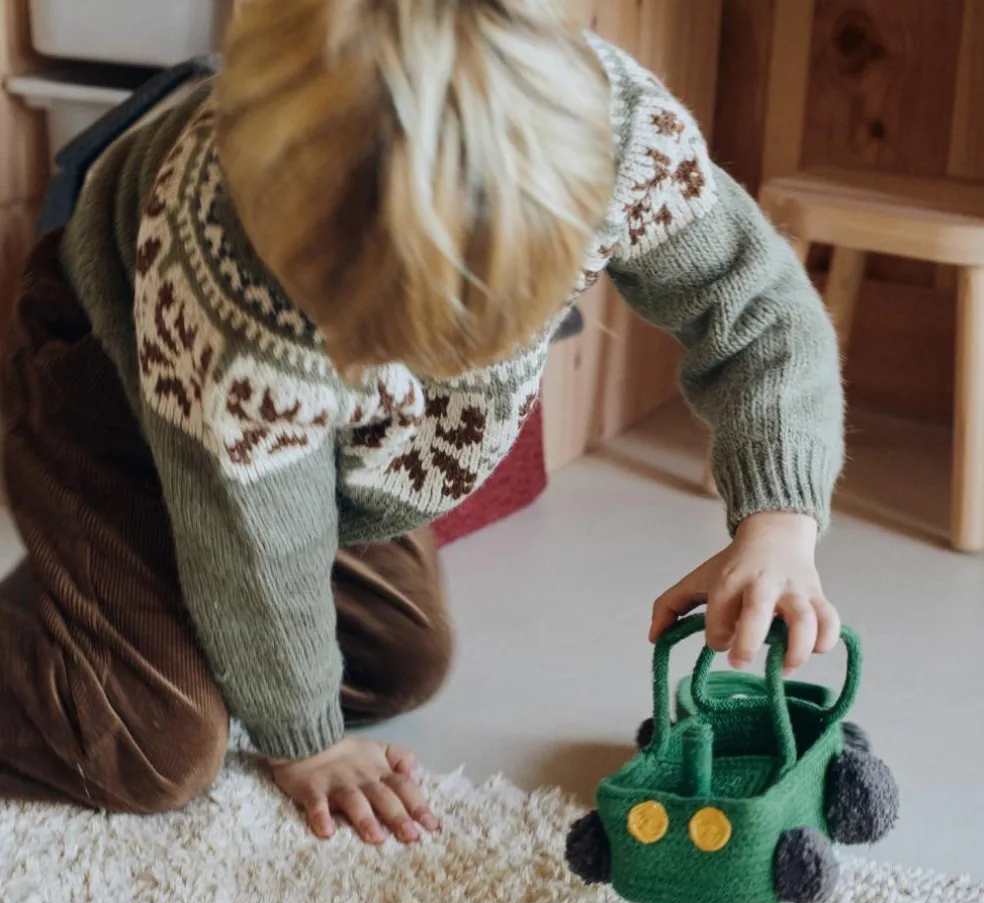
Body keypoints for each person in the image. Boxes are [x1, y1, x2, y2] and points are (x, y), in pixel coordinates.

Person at [0, 0, 843, 845]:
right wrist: (305, 742)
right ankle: (99, 593)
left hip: (305, 447)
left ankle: (119, 599)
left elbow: (759, 308)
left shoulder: (618, 136)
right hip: (105, 391)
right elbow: (259, 540)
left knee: (403, 660)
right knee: (157, 746)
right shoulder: (235, 271)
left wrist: (778, 524)